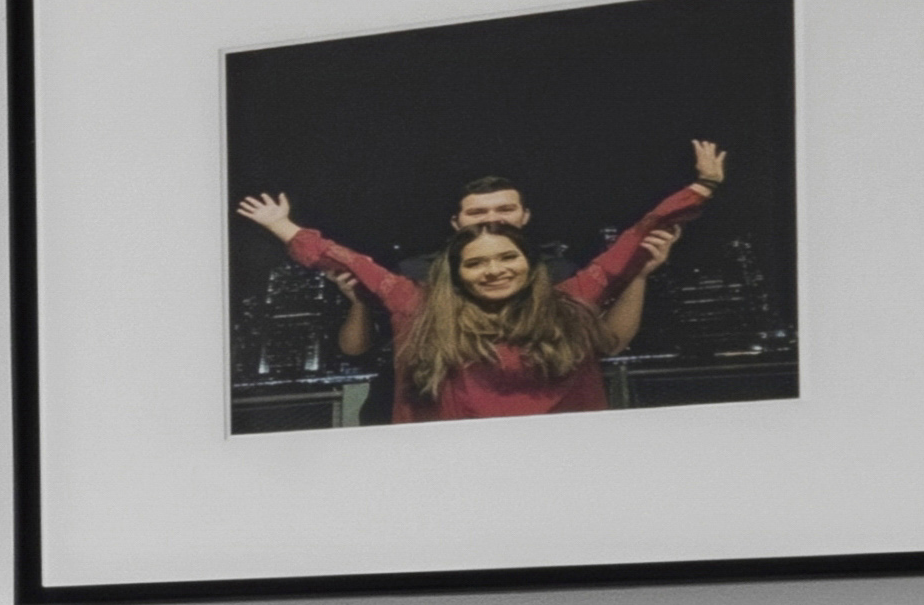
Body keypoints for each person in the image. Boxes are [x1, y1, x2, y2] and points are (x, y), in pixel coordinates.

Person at [240, 141, 722, 420]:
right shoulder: (416, 301)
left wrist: (702, 189)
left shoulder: (570, 296)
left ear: (530, 260)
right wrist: (283, 227)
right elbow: (347, 260)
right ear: (454, 265)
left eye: (507, 257)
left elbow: (634, 241)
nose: (494, 269)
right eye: (476, 262)